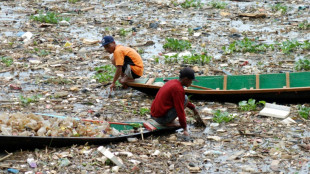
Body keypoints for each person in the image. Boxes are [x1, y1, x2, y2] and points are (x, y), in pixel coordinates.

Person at [150, 67, 200, 136]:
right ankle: (167, 122)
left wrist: (193, 108)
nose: (191, 83)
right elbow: (180, 110)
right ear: (185, 79)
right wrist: (184, 128)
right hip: (160, 119)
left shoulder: (172, 82)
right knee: (185, 99)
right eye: (191, 81)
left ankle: (168, 120)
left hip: (154, 115)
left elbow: (179, 99)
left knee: (184, 98)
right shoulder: (178, 89)